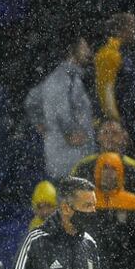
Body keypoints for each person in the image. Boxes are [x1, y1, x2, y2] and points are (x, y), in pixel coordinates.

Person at [24, 32, 95, 179]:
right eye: (84, 47)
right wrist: (70, 132)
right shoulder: (63, 77)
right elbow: (60, 110)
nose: (89, 51)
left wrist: (40, 122)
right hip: (69, 159)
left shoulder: (67, 77)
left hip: (68, 158)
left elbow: (31, 100)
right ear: (71, 50)